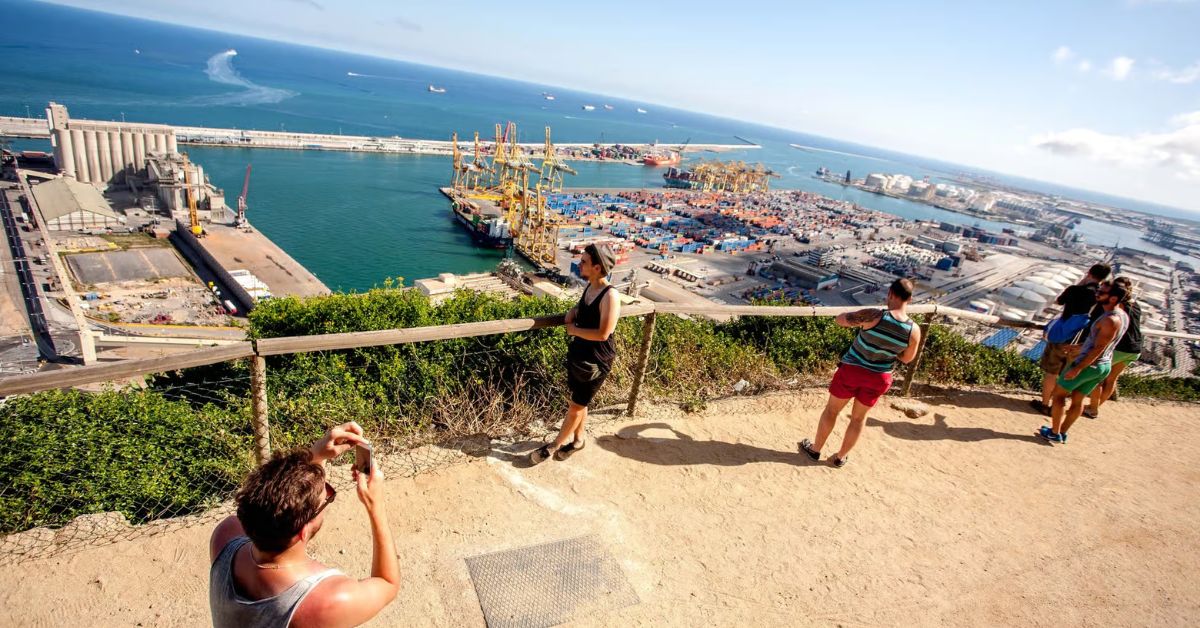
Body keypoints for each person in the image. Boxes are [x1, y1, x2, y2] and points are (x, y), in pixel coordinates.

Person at [209, 422, 400, 627]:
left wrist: (316, 456)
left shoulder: (224, 536)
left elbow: (273, 506)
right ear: (302, 531)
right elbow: (387, 584)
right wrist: (375, 504)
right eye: (326, 495)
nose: (326, 492)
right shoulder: (325, 602)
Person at [799, 278, 922, 467]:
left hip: (852, 371)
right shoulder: (914, 331)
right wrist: (888, 349)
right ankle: (840, 457)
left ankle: (815, 450)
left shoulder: (874, 315)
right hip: (879, 378)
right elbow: (907, 358)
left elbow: (840, 320)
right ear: (910, 299)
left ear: (890, 293)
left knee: (832, 411)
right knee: (858, 419)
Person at [531, 243, 621, 464]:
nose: (579, 264)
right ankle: (579, 440)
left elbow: (603, 333)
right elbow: (586, 312)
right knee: (580, 403)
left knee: (575, 406)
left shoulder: (610, 295)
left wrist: (573, 330)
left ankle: (554, 446)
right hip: (580, 356)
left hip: (596, 361)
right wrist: (574, 311)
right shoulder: (590, 288)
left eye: (584, 262)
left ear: (598, 268)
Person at [1039, 283, 1129, 444]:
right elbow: (1103, 343)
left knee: (1059, 396)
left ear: (1113, 298)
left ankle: (1054, 431)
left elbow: (1099, 347)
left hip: (1088, 365)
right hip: (1102, 365)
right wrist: (1081, 346)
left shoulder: (1109, 320)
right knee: (1078, 399)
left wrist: (1078, 368)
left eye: (1102, 292)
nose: (1097, 293)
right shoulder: (1122, 315)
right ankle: (1061, 432)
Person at [1031, 263, 1111, 415]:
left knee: (1052, 372)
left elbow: (1059, 301)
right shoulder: (1101, 297)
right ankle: (1058, 405)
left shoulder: (1075, 290)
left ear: (1089, 273)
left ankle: (1045, 404)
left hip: (1062, 336)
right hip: (1082, 341)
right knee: (1066, 374)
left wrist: (1080, 283)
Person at [1084, 277, 1141, 419]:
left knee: (1096, 376)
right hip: (1134, 348)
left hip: (1120, 347)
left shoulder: (1115, 305)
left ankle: (1093, 408)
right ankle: (1094, 407)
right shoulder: (1135, 305)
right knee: (1111, 379)